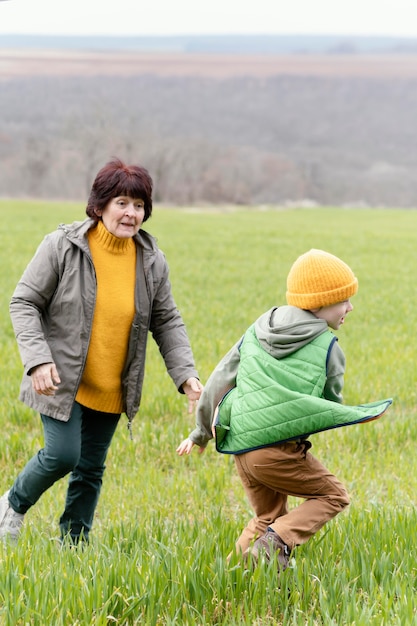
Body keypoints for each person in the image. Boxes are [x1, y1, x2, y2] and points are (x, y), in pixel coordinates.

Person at [0, 157, 203, 544]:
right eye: (122, 202)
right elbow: (24, 302)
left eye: (139, 205)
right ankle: (12, 503)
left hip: (112, 382)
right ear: (100, 205)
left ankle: (74, 543)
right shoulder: (63, 245)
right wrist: (38, 360)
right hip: (61, 377)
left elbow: (167, 320)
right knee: (62, 455)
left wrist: (186, 375)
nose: (131, 213)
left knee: (91, 468)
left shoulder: (151, 261)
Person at [177, 249, 391, 572]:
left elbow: (219, 379)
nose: (350, 307)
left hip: (240, 448)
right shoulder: (329, 348)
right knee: (334, 496)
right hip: (276, 451)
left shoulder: (258, 329)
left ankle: (228, 576)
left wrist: (201, 432)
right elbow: (330, 405)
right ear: (319, 303)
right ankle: (275, 543)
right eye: (343, 300)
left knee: (266, 516)